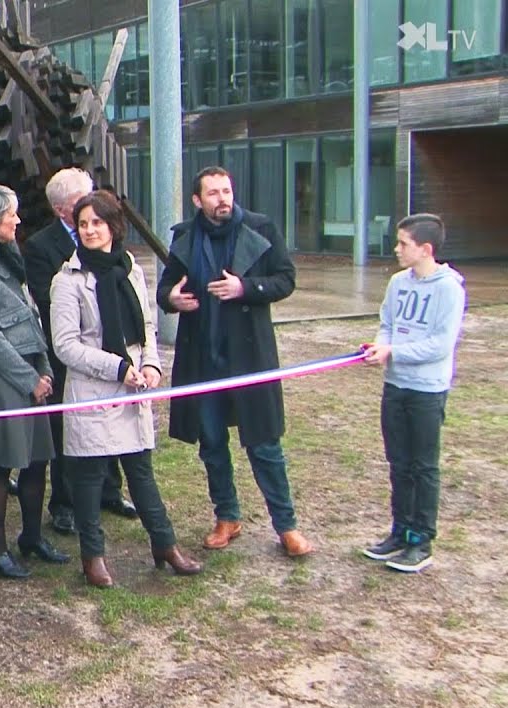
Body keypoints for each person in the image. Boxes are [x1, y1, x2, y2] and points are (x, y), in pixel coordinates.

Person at [155, 166, 312, 558]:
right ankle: (227, 516)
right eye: (213, 193)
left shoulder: (261, 229)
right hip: (202, 361)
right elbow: (164, 289)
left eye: (226, 191)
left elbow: (285, 279)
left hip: (249, 358)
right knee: (211, 443)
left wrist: (246, 287)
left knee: (264, 445)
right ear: (198, 200)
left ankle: (286, 525)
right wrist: (171, 300)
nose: (222, 198)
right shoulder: (184, 236)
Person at [51, 192, 203, 587]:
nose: (89, 230)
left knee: (141, 472)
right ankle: (93, 556)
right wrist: (117, 367)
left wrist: (150, 363)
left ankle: (164, 544)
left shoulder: (130, 268)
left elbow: (147, 325)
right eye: (83, 224)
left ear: (112, 226)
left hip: (132, 386)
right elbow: (66, 346)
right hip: (92, 388)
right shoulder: (67, 281)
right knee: (87, 477)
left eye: (96, 223)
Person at [0, 185, 69, 579]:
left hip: (31, 374)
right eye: (11, 215)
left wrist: (45, 370)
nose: (18, 221)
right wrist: (28, 379)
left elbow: (29, 315)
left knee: (38, 459)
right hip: (3, 381)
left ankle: (32, 537)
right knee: (2, 465)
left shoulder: (8, 257)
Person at [23, 168, 136, 535]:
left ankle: (110, 491)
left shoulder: (111, 244)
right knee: (68, 431)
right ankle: (65, 503)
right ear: (62, 210)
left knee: (114, 419)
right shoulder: (42, 247)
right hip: (69, 354)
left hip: (112, 347)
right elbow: (44, 297)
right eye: (81, 202)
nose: (91, 208)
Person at [361, 213, 466, 573]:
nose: (396, 249)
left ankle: (422, 539)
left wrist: (394, 352)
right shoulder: (397, 283)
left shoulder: (449, 288)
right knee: (399, 463)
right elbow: (387, 324)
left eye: (403, 243)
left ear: (425, 249)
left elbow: (440, 345)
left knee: (423, 466)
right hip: (395, 386)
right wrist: (379, 347)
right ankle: (400, 531)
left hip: (426, 391)